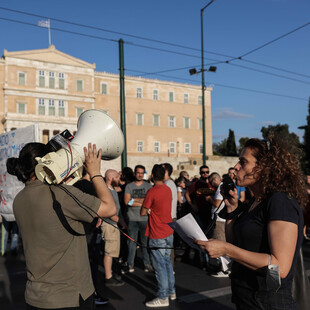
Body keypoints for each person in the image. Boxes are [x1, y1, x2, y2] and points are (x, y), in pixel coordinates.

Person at [196, 137, 308, 309]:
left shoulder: (280, 201)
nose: (236, 168)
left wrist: (227, 250)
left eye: (243, 162)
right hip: (247, 298)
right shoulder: (255, 202)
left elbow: (280, 267)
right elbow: (236, 242)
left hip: (268, 303)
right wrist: (232, 209)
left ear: (264, 167)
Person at [7, 142, 116, 310]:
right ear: (49, 161)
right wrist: (95, 173)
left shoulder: (19, 199)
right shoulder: (62, 194)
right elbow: (109, 208)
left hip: (35, 296)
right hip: (70, 296)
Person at [141, 164, 176, 308]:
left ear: (153, 176)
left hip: (157, 232)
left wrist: (149, 211)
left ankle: (163, 296)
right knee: (167, 262)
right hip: (168, 230)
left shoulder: (152, 191)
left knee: (160, 265)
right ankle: (171, 291)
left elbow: (143, 212)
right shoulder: (167, 189)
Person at [124, 164, 152, 273]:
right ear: (135, 173)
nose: (140, 175)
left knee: (145, 243)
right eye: (138, 172)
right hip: (132, 218)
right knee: (132, 243)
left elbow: (149, 202)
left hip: (145, 218)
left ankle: (147, 264)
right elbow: (127, 202)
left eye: (142, 173)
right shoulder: (129, 186)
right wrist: (143, 201)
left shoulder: (148, 186)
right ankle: (130, 264)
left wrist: (135, 200)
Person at [102, 169, 126, 286]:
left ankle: (111, 273)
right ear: (110, 178)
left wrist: (121, 221)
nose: (119, 179)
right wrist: (118, 220)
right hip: (109, 224)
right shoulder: (105, 191)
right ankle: (108, 276)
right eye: (117, 177)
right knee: (109, 252)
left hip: (115, 224)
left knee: (113, 251)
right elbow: (107, 210)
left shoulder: (113, 190)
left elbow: (117, 207)